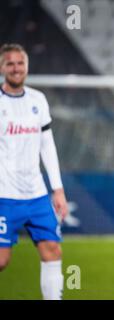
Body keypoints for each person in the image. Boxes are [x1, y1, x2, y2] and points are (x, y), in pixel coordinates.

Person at [0, 44, 68, 300]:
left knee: (52, 250)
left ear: (27, 66)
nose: (16, 68)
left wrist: (57, 189)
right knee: (2, 261)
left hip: (38, 195)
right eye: (10, 63)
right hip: (4, 197)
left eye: (20, 63)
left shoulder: (38, 99)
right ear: (2, 68)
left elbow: (46, 146)